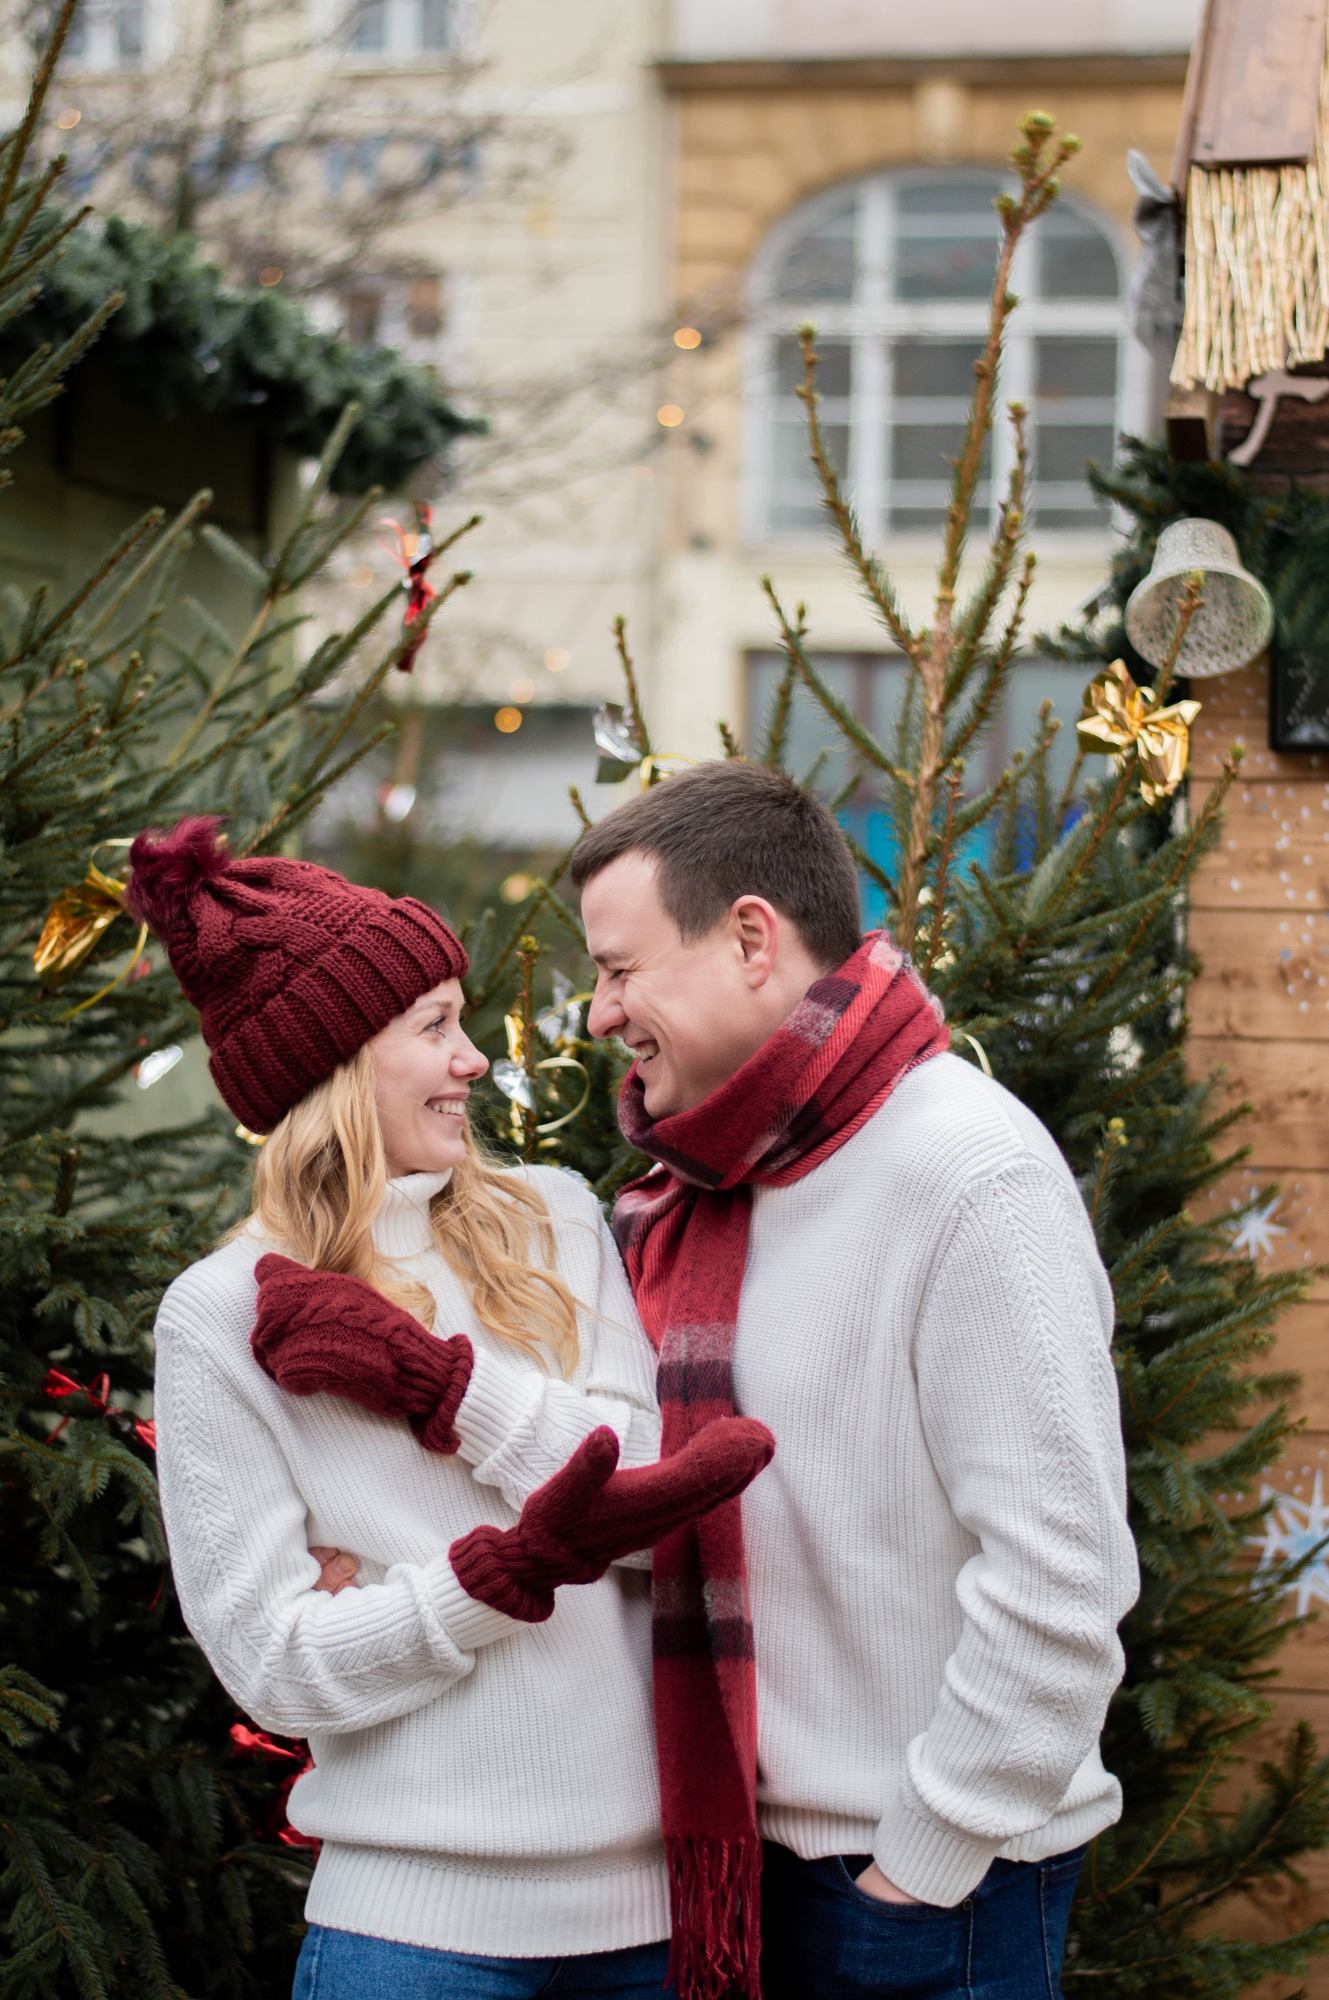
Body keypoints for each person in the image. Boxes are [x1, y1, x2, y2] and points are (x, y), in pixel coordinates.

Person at [130, 816, 772, 2000]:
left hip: (642, 1929)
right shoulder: (221, 1315)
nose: (472, 1057)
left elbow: (653, 1497)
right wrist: (496, 1576)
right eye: (432, 1028)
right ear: (332, 1070)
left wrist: (448, 1386)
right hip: (409, 1939)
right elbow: (274, 1665)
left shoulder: (555, 1217)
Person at [567, 760, 1140, 2000]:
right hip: (742, 1866)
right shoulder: (699, 1192)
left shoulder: (966, 1172)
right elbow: (629, 1495)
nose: (599, 1012)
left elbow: (1064, 1572)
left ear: (753, 939)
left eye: (619, 968)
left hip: (924, 1884)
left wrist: (924, 1859)